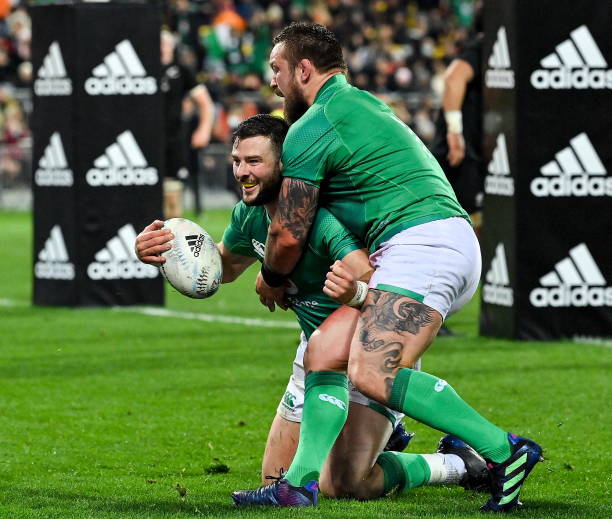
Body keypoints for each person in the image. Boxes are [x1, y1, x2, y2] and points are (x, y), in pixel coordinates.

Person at [232, 23, 542, 512]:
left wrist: (269, 277)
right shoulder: (363, 105)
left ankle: (505, 451)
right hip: (432, 243)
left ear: (304, 69)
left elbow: (289, 233)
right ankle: (299, 485)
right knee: (324, 351)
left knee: (373, 372)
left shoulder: (315, 124)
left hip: (420, 245)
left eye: (277, 69)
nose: (272, 82)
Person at [135, 114, 488, 501]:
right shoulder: (248, 216)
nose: (242, 172)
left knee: (346, 484)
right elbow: (222, 269)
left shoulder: (321, 218)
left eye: (255, 162)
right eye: (237, 161)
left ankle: (458, 464)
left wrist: (349, 290)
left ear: (284, 165)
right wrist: (164, 255)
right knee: (275, 480)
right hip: (315, 356)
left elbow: (368, 276)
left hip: (363, 349)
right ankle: (376, 439)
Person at [429, 8, 484, 239]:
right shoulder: (483, 47)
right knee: (461, 219)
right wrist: (455, 132)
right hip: (459, 150)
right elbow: (453, 78)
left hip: (469, 148)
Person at [160, 29, 214, 218]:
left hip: (173, 140)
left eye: (165, 44)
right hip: (146, 139)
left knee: (172, 195)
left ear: (172, 47)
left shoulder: (181, 70)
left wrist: (204, 130)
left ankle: (172, 242)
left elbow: (205, 103)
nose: (162, 48)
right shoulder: (143, 68)